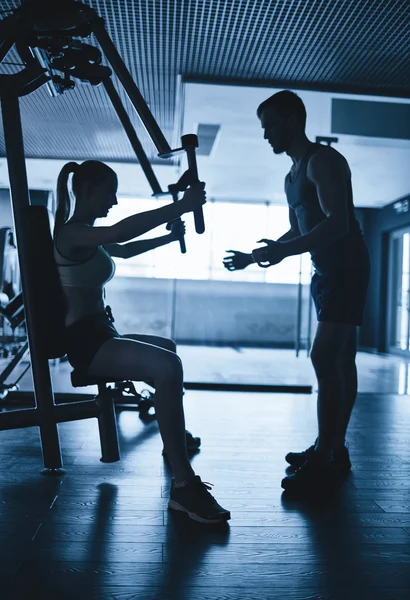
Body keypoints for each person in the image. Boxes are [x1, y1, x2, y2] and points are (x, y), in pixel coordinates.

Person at [53, 159, 230, 523]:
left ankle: (173, 440)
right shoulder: (70, 234)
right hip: (87, 343)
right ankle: (183, 486)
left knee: (167, 349)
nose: (114, 201)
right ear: (88, 190)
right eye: (110, 192)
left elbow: (124, 249)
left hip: (103, 332)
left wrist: (169, 235)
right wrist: (181, 205)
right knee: (169, 368)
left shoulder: (88, 235)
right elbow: (121, 233)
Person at [223, 90, 370, 494]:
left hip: (346, 268)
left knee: (324, 356)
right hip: (325, 272)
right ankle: (332, 448)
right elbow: (300, 231)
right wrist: (257, 256)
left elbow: (338, 223)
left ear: (290, 120)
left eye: (269, 125)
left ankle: (326, 456)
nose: (266, 134)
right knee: (341, 359)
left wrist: (284, 249)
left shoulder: (322, 161)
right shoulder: (291, 175)